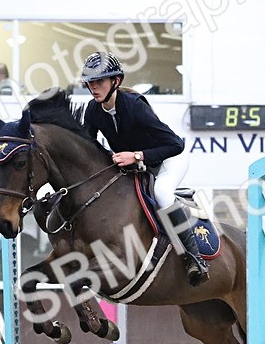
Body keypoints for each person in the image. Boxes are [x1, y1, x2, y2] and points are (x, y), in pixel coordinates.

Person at [79, 51, 207, 285]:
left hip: (168, 159)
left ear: (116, 81)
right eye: (90, 82)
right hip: (137, 166)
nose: (93, 87)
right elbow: (88, 146)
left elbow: (175, 145)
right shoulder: (93, 110)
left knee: (162, 193)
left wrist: (137, 155)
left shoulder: (135, 106)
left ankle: (194, 258)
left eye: (99, 81)